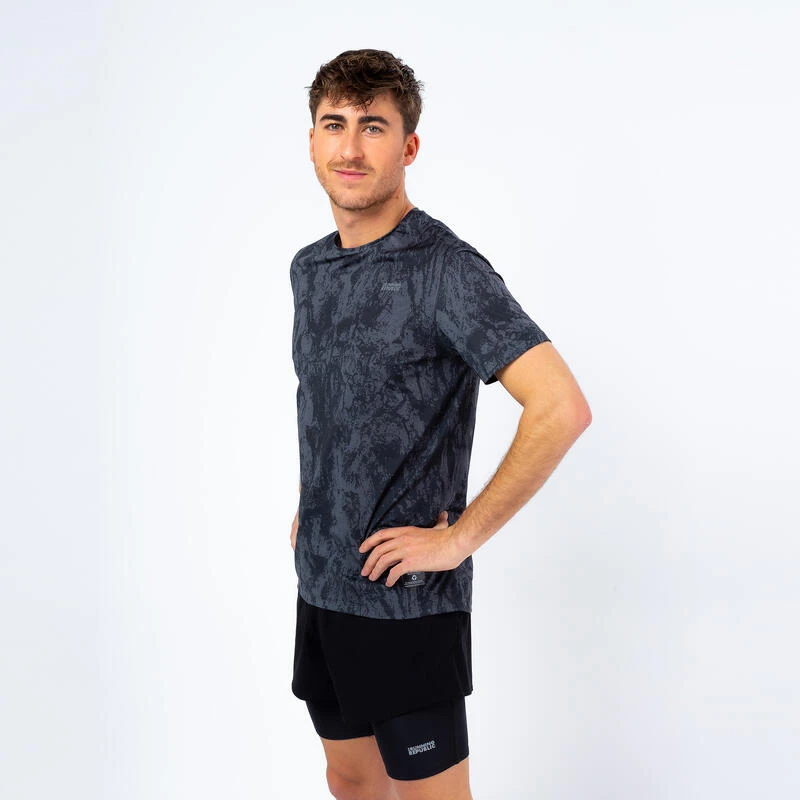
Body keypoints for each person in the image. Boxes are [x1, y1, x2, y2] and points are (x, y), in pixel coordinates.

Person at [289, 49, 591, 800]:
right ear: (312, 140)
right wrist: (315, 500)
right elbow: (337, 400)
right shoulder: (309, 269)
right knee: (348, 781)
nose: (350, 147)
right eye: (334, 124)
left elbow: (560, 406)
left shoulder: (445, 270)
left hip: (407, 601)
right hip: (321, 584)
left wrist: (458, 541)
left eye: (373, 126)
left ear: (409, 146)